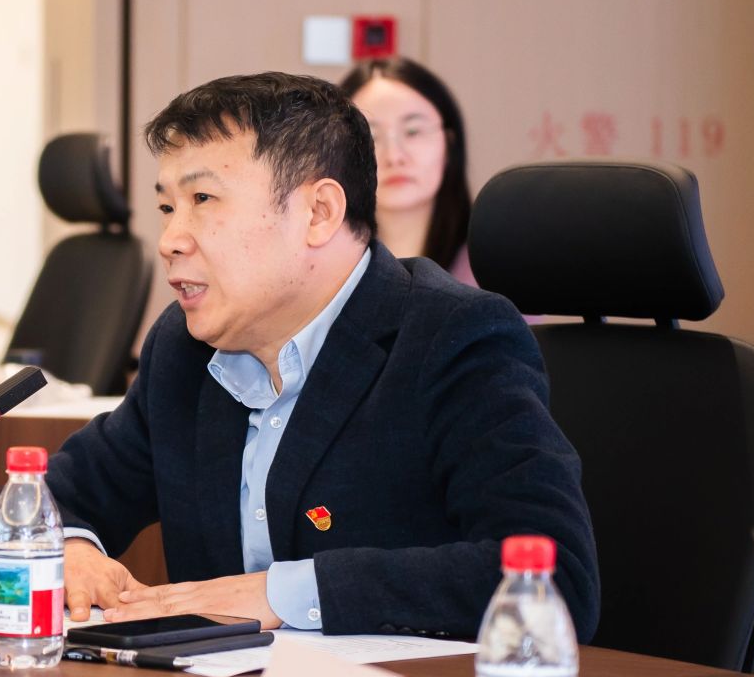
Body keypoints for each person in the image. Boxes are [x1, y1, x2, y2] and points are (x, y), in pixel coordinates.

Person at [49, 71, 598, 635]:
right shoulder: (185, 349)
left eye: (203, 199)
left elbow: (555, 580)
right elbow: (55, 496)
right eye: (168, 208)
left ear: (318, 213)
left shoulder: (451, 338)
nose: (170, 240)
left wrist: (283, 594)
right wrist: (71, 549)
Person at [339, 56, 475, 285]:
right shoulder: (321, 275)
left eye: (413, 131)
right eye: (370, 137)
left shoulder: (493, 269)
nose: (394, 157)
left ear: (449, 144)